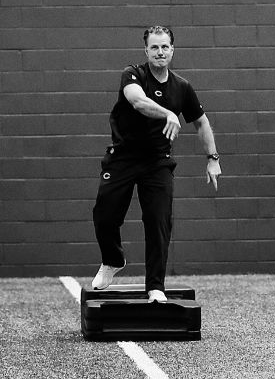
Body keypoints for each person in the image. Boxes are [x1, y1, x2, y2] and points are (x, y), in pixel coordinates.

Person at [90, 26, 221, 302]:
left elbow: (201, 122)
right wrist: (168, 114)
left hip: (157, 163)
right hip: (123, 157)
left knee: (159, 222)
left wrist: (212, 159)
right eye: (154, 48)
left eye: (165, 47)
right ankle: (113, 260)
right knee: (105, 213)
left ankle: (155, 287)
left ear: (172, 50)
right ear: (146, 51)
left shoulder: (182, 87)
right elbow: (137, 101)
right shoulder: (133, 74)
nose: (160, 52)